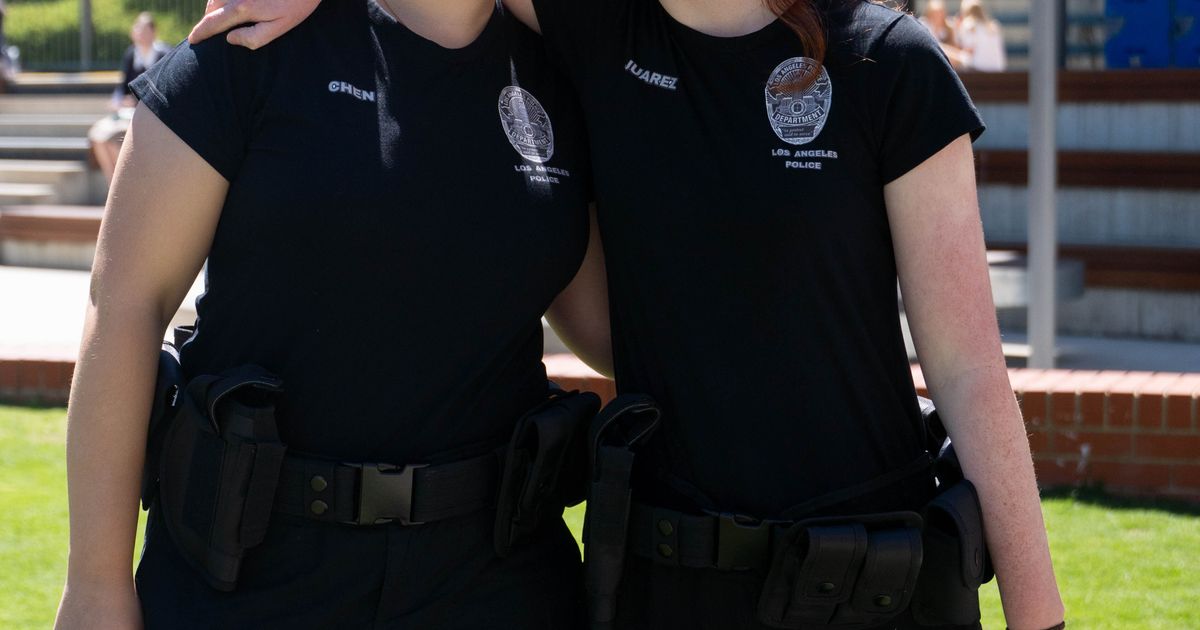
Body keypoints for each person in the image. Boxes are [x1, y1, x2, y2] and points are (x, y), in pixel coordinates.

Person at [191, 0, 1066, 628]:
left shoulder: (886, 60)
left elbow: (968, 370)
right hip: (664, 582)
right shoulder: (596, 30)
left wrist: (1039, 615)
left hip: (872, 578)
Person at [54, 0, 609, 627]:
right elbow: (126, 303)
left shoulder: (564, 73)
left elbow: (610, 333)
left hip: (500, 580)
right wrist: (95, 586)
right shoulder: (253, 42)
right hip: (247, 574)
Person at [87, 12, 171, 182]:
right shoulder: (131, 54)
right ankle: (114, 185)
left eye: (144, 30)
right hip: (127, 114)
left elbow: (165, 90)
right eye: (137, 30)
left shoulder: (164, 54)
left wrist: (136, 101)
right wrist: (116, 102)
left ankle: (126, 184)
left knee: (113, 141)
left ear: (153, 32)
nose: (140, 34)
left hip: (151, 116)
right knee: (97, 137)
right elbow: (122, 87)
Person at [954, 0, 1007, 72]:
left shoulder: (968, 25)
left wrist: (956, 30)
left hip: (978, 69)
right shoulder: (994, 26)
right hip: (998, 68)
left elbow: (968, 51)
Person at [919, 0, 967, 69]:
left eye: (940, 12)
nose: (938, 16)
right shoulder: (924, 25)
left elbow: (955, 48)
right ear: (930, 13)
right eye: (935, 13)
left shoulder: (948, 27)